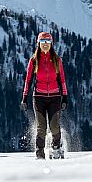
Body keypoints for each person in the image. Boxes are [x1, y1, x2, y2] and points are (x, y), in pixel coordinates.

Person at [21, 31, 68, 159]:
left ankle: (56, 149)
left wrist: (65, 97)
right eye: (43, 42)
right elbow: (28, 80)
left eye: (48, 42)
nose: (45, 44)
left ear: (51, 44)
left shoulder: (57, 60)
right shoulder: (34, 60)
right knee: (41, 127)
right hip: (39, 98)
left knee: (54, 127)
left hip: (54, 97)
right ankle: (40, 155)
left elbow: (62, 80)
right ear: (38, 43)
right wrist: (24, 97)